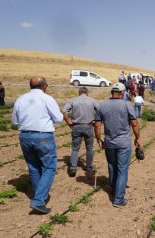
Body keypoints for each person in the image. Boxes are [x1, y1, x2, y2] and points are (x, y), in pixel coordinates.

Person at [12, 77, 63, 214]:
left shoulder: (20, 99)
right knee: (49, 168)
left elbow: (15, 121)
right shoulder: (47, 99)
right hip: (43, 136)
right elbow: (58, 118)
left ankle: (40, 196)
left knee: (34, 168)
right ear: (45, 86)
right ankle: (38, 200)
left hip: (24, 136)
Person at [94, 83, 141, 207]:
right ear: (122, 93)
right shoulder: (127, 105)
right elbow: (134, 124)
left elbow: (97, 125)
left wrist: (99, 139)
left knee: (112, 166)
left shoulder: (102, 106)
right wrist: (137, 138)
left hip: (109, 142)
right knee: (122, 169)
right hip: (123, 143)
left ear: (112, 92)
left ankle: (114, 189)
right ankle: (118, 199)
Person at [63, 87, 99, 177]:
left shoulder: (73, 100)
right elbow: (100, 110)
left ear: (79, 92)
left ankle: (73, 168)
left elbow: (64, 111)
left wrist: (68, 122)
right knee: (89, 148)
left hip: (76, 126)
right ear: (87, 93)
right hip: (88, 126)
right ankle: (89, 167)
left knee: (75, 148)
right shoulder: (92, 100)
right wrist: (96, 120)